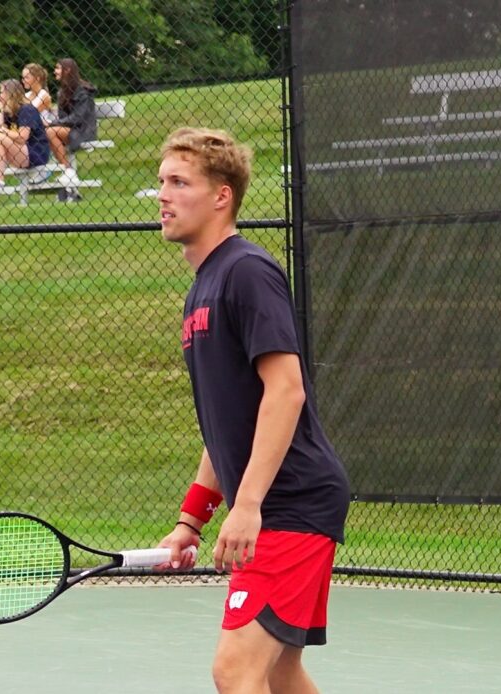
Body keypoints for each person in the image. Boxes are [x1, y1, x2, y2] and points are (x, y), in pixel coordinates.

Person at [154, 128, 350, 694]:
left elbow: (286, 391)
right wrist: (192, 519)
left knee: (236, 669)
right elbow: (227, 425)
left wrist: (248, 506)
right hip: (282, 503)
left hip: (292, 501)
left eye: (179, 182)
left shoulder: (246, 271)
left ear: (222, 196)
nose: (163, 195)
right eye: (162, 182)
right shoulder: (201, 290)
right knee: (280, 672)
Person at [0, 79, 49, 193]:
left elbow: (22, 137)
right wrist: (1, 109)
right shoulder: (10, 111)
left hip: (35, 153)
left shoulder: (27, 109)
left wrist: (1, 129)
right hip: (21, 152)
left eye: (2, 92)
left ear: (10, 93)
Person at [46, 58, 97, 189]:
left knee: (50, 131)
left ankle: (68, 170)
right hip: (70, 130)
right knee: (49, 131)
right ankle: (68, 171)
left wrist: (53, 123)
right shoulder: (62, 92)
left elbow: (78, 118)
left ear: (67, 70)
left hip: (84, 131)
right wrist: (55, 123)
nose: (55, 71)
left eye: (58, 68)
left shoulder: (83, 91)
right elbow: (65, 118)